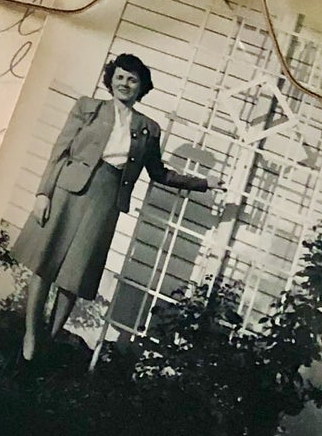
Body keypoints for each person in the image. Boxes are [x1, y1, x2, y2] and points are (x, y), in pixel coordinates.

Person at [11, 52, 212, 365]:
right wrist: (43, 193)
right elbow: (60, 150)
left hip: (105, 202)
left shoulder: (148, 128)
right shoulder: (88, 108)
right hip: (67, 190)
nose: (124, 83)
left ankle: (49, 340)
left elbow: (159, 173)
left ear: (141, 87)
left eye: (132, 80)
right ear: (111, 79)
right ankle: (31, 335)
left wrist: (203, 183)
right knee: (45, 263)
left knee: (75, 275)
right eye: (119, 76)